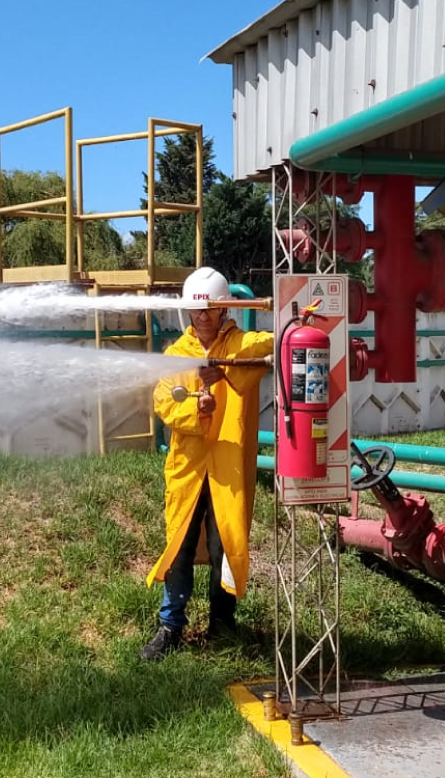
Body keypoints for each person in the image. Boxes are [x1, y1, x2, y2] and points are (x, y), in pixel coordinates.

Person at [140, 267, 274, 661]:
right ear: (188, 312)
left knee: (224, 545)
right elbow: (164, 403)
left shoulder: (241, 347)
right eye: (197, 311)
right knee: (178, 547)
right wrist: (196, 408)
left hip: (228, 468)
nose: (202, 317)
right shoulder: (175, 356)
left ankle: (222, 625)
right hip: (187, 468)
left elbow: (269, 342)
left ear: (223, 310)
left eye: (210, 310)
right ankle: (171, 626)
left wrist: (296, 317)